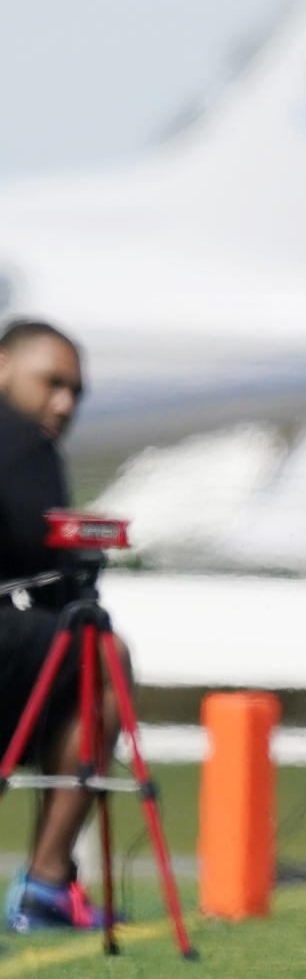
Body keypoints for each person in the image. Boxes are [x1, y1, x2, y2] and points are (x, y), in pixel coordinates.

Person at [0, 319, 131, 932]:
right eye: (51, 382)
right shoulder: (22, 440)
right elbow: (42, 548)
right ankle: (48, 883)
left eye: (75, 392)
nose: (64, 403)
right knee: (102, 656)